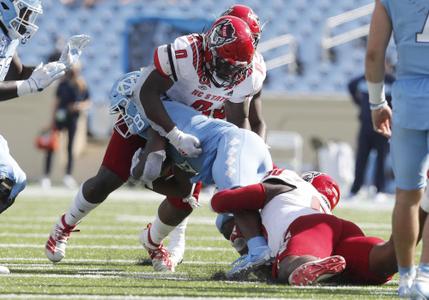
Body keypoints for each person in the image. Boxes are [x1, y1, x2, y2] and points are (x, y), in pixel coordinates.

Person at [45, 12, 267, 271]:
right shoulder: (187, 52)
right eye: (226, 63)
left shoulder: (247, 70)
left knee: (185, 201)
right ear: (211, 47)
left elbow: (240, 122)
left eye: (235, 66)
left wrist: (241, 166)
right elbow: (146, 93)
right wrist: (173, 134)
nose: (231, 72)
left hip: (196, 123)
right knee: (110, 178)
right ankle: (64, 225)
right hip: (151, 112)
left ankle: (152, 241)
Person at [0, 0, 89, 274]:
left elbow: (14, 72)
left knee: (13, 181)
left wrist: (55, 68)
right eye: (25, 12)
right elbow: (20, 82)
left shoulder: (8, 38)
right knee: (7, 177)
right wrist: (28, 87)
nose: (28, 20)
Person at [210, 169, 397, 285]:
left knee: (291, 265)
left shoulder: (289, 183)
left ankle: (308, 263)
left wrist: (220, 195)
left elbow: (229, 201)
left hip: (308, 226)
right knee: (379, 261)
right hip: (338, 231)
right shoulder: (319, 204)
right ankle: (395, 251)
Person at [365, 0, 429, 297]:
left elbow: (374, 53)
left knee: (407, 196)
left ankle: (406, 279)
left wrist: (377, 102)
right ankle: (426, 277)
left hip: (408, 98)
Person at [347, 62, 395, 201]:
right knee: (361, 158)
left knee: (381, 159)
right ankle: (356, 189)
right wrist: (360, 104)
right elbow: (351, 86)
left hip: (383, 126)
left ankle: (380, 189)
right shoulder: (365, 78)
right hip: (366, 126)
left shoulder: (392, 81)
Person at [40, 63, 91, 189]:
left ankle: (67, 176)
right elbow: (56, 103)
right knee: (51, 146)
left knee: (70, 147)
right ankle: (46, 176)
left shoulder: (82, 84)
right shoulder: (62, 85)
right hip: (60, 117)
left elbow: (88, 102)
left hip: (73, 118)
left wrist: (79, 106)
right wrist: (52, 121)